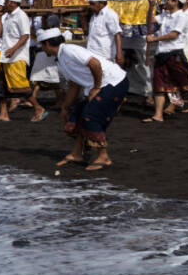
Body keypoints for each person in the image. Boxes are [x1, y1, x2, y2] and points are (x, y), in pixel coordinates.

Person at [40, 28, 129, 171]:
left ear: (47, 44)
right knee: (76, 114)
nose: (42, 49)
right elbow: (74, 85)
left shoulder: (69, 50)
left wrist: (96, 88)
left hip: (114, 81)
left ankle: (104, 156)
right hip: (100, 85)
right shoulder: (60, 59)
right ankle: (77, 153)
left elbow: (94, 63)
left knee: (90, 116)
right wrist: (65, 107)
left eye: (42, 45)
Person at [143, 0, 188, 122]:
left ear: (176, 2)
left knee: (185, 83)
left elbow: (174, 35)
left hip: (175, 54)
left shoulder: (181, 16)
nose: (166, 1)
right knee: (159, 85)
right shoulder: (165, 15)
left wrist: (155, 39)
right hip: (161, 54)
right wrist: (151, 5)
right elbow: (150, 20)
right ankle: (158, 115)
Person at [0, 0, 31, 122]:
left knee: (20, 87)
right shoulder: (7, 17)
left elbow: (25, 35)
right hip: (6, 57)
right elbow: (1, 34)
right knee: (1, 86)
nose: (4, 4)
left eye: (7, 2)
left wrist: (13, 49)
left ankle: (38, 108)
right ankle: (3, 114)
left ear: (13, 3)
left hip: (17, 57)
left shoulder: (21, 16)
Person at [27, 15, 63, 123]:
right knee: (36, 79)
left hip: (48, 54)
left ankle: (60, 101)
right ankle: (32, 99)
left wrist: (33, 28)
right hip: (42, 54)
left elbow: (35, 35)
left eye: (44, 20)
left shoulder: (51, 32)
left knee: (53, 80)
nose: (42, 22)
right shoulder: (50, 31)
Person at [86, 0, 124, 65]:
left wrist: (119, 53)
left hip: (104, 56)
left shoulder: (110, 15)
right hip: (92, 53)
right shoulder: (94, 16)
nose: (90, 6)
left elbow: (117, 34)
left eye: (92, 4)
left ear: (101, 3)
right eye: (90, 4)